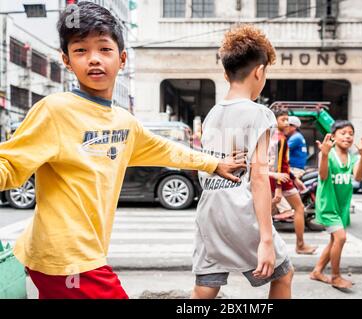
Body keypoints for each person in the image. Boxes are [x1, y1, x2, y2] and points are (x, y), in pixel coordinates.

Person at [0, 2, 244, 299]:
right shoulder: (55, 110)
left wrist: (212, 164)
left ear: (122, 58)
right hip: (67, 259)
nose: (93, 59)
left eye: (104, 49)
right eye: (80, 50)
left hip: (79, 256)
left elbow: (165, 149)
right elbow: (10, 166)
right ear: (66, 60)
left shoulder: (123, 122)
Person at [191, 25, 294, 299]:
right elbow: (259, 178)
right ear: (259, 71)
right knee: (283, 274)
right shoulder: (259, 113)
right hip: (240, 211)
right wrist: (267, 240)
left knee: (206, 285)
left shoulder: (212, 114)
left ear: (226, 74)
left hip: (209, 210)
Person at [310, 120, 362, 289]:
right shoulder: (328, 154)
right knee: (341, 238)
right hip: (328, 205)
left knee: (333, 241)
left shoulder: (352, 158)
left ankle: (317, 271)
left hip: (342, 206)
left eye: (351, 133)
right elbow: (323, 176)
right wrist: (323, 154)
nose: (348, 136)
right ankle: (335, 277)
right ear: (334, 136)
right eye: (343, 133)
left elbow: (358, 177)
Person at [270, 107, 317, 255]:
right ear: (274, 121)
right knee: (298, 208)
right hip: (280, 180)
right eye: (283, 120)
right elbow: (278, 164)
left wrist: (294, 178)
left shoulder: (273, 136)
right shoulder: (280, 138)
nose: (286, 123)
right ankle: (300, 245)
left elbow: (282, 163)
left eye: (287, 120)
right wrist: (279, 187)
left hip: (280, 178)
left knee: (267, 214)